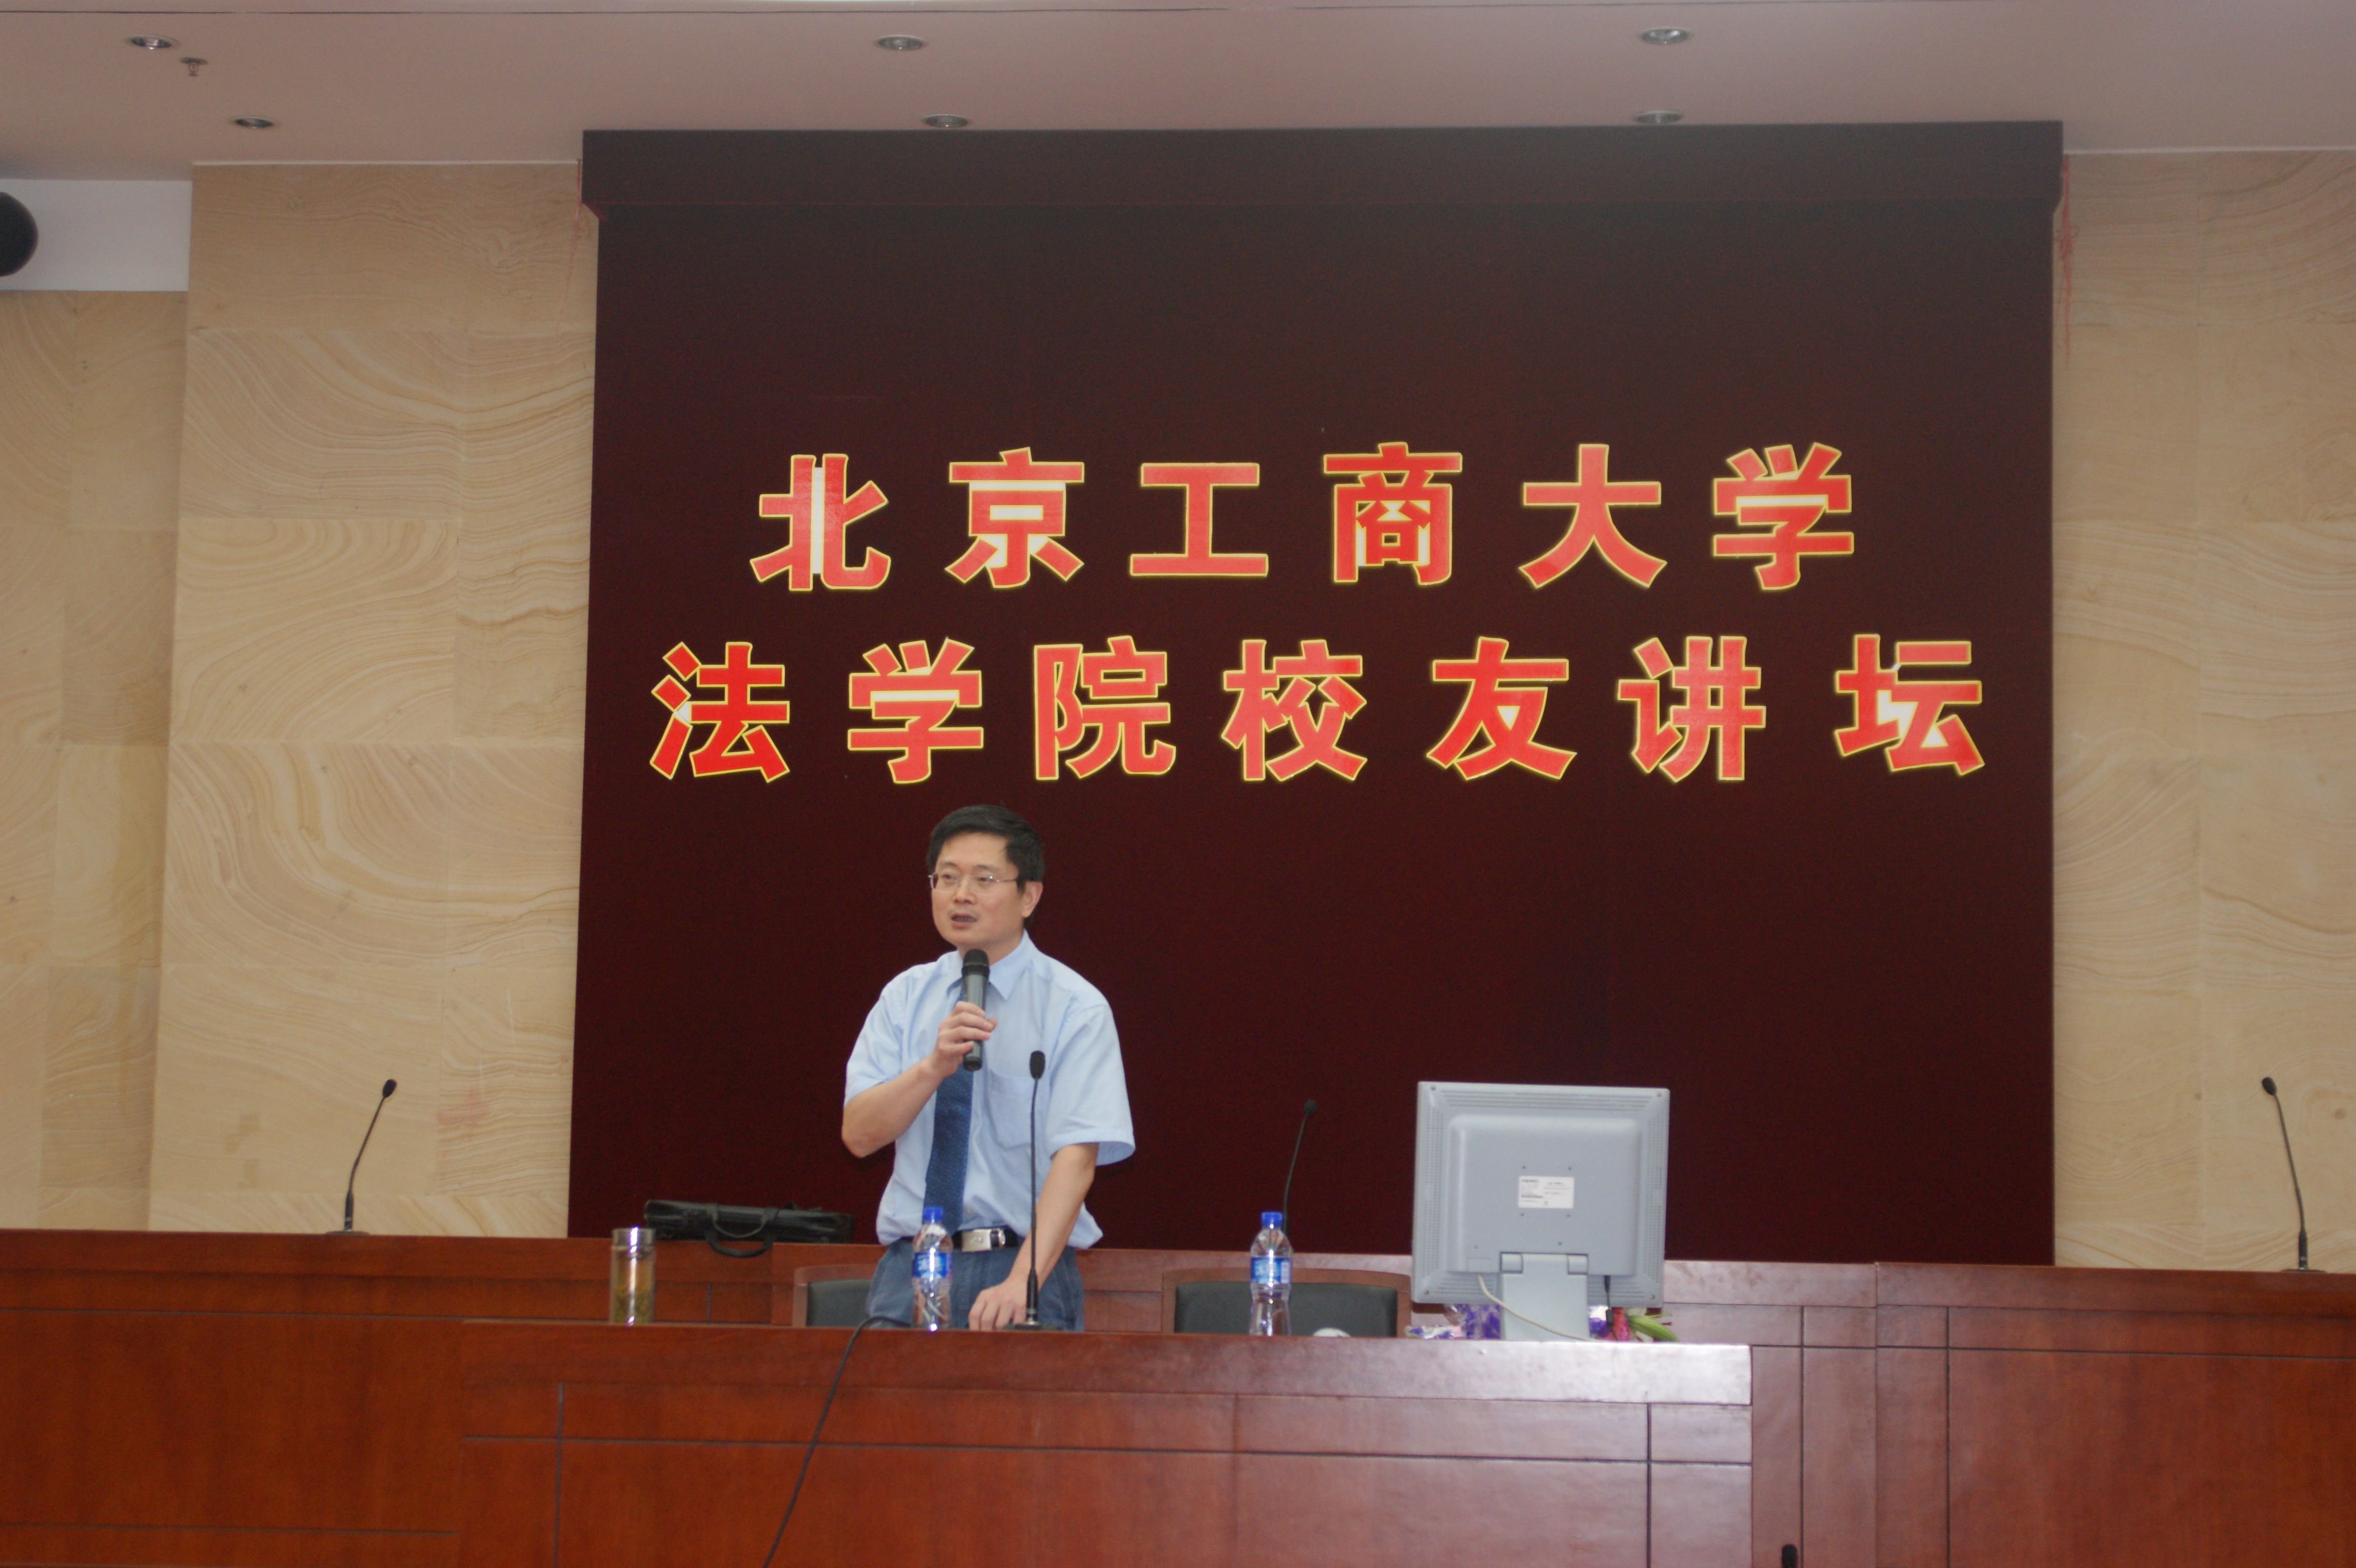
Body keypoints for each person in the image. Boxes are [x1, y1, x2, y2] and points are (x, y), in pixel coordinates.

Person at [841, 805, 1133, 1329]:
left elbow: (1076, 1160)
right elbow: (860, 1136)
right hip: (912, 1266)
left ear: (1029, 895)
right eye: (947, 878)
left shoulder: (1074, 1007)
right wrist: (933, 1067)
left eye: (983, 879)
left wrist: (1024, 1280)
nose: (961, 895)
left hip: (1020, 1266)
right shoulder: (904, 997)